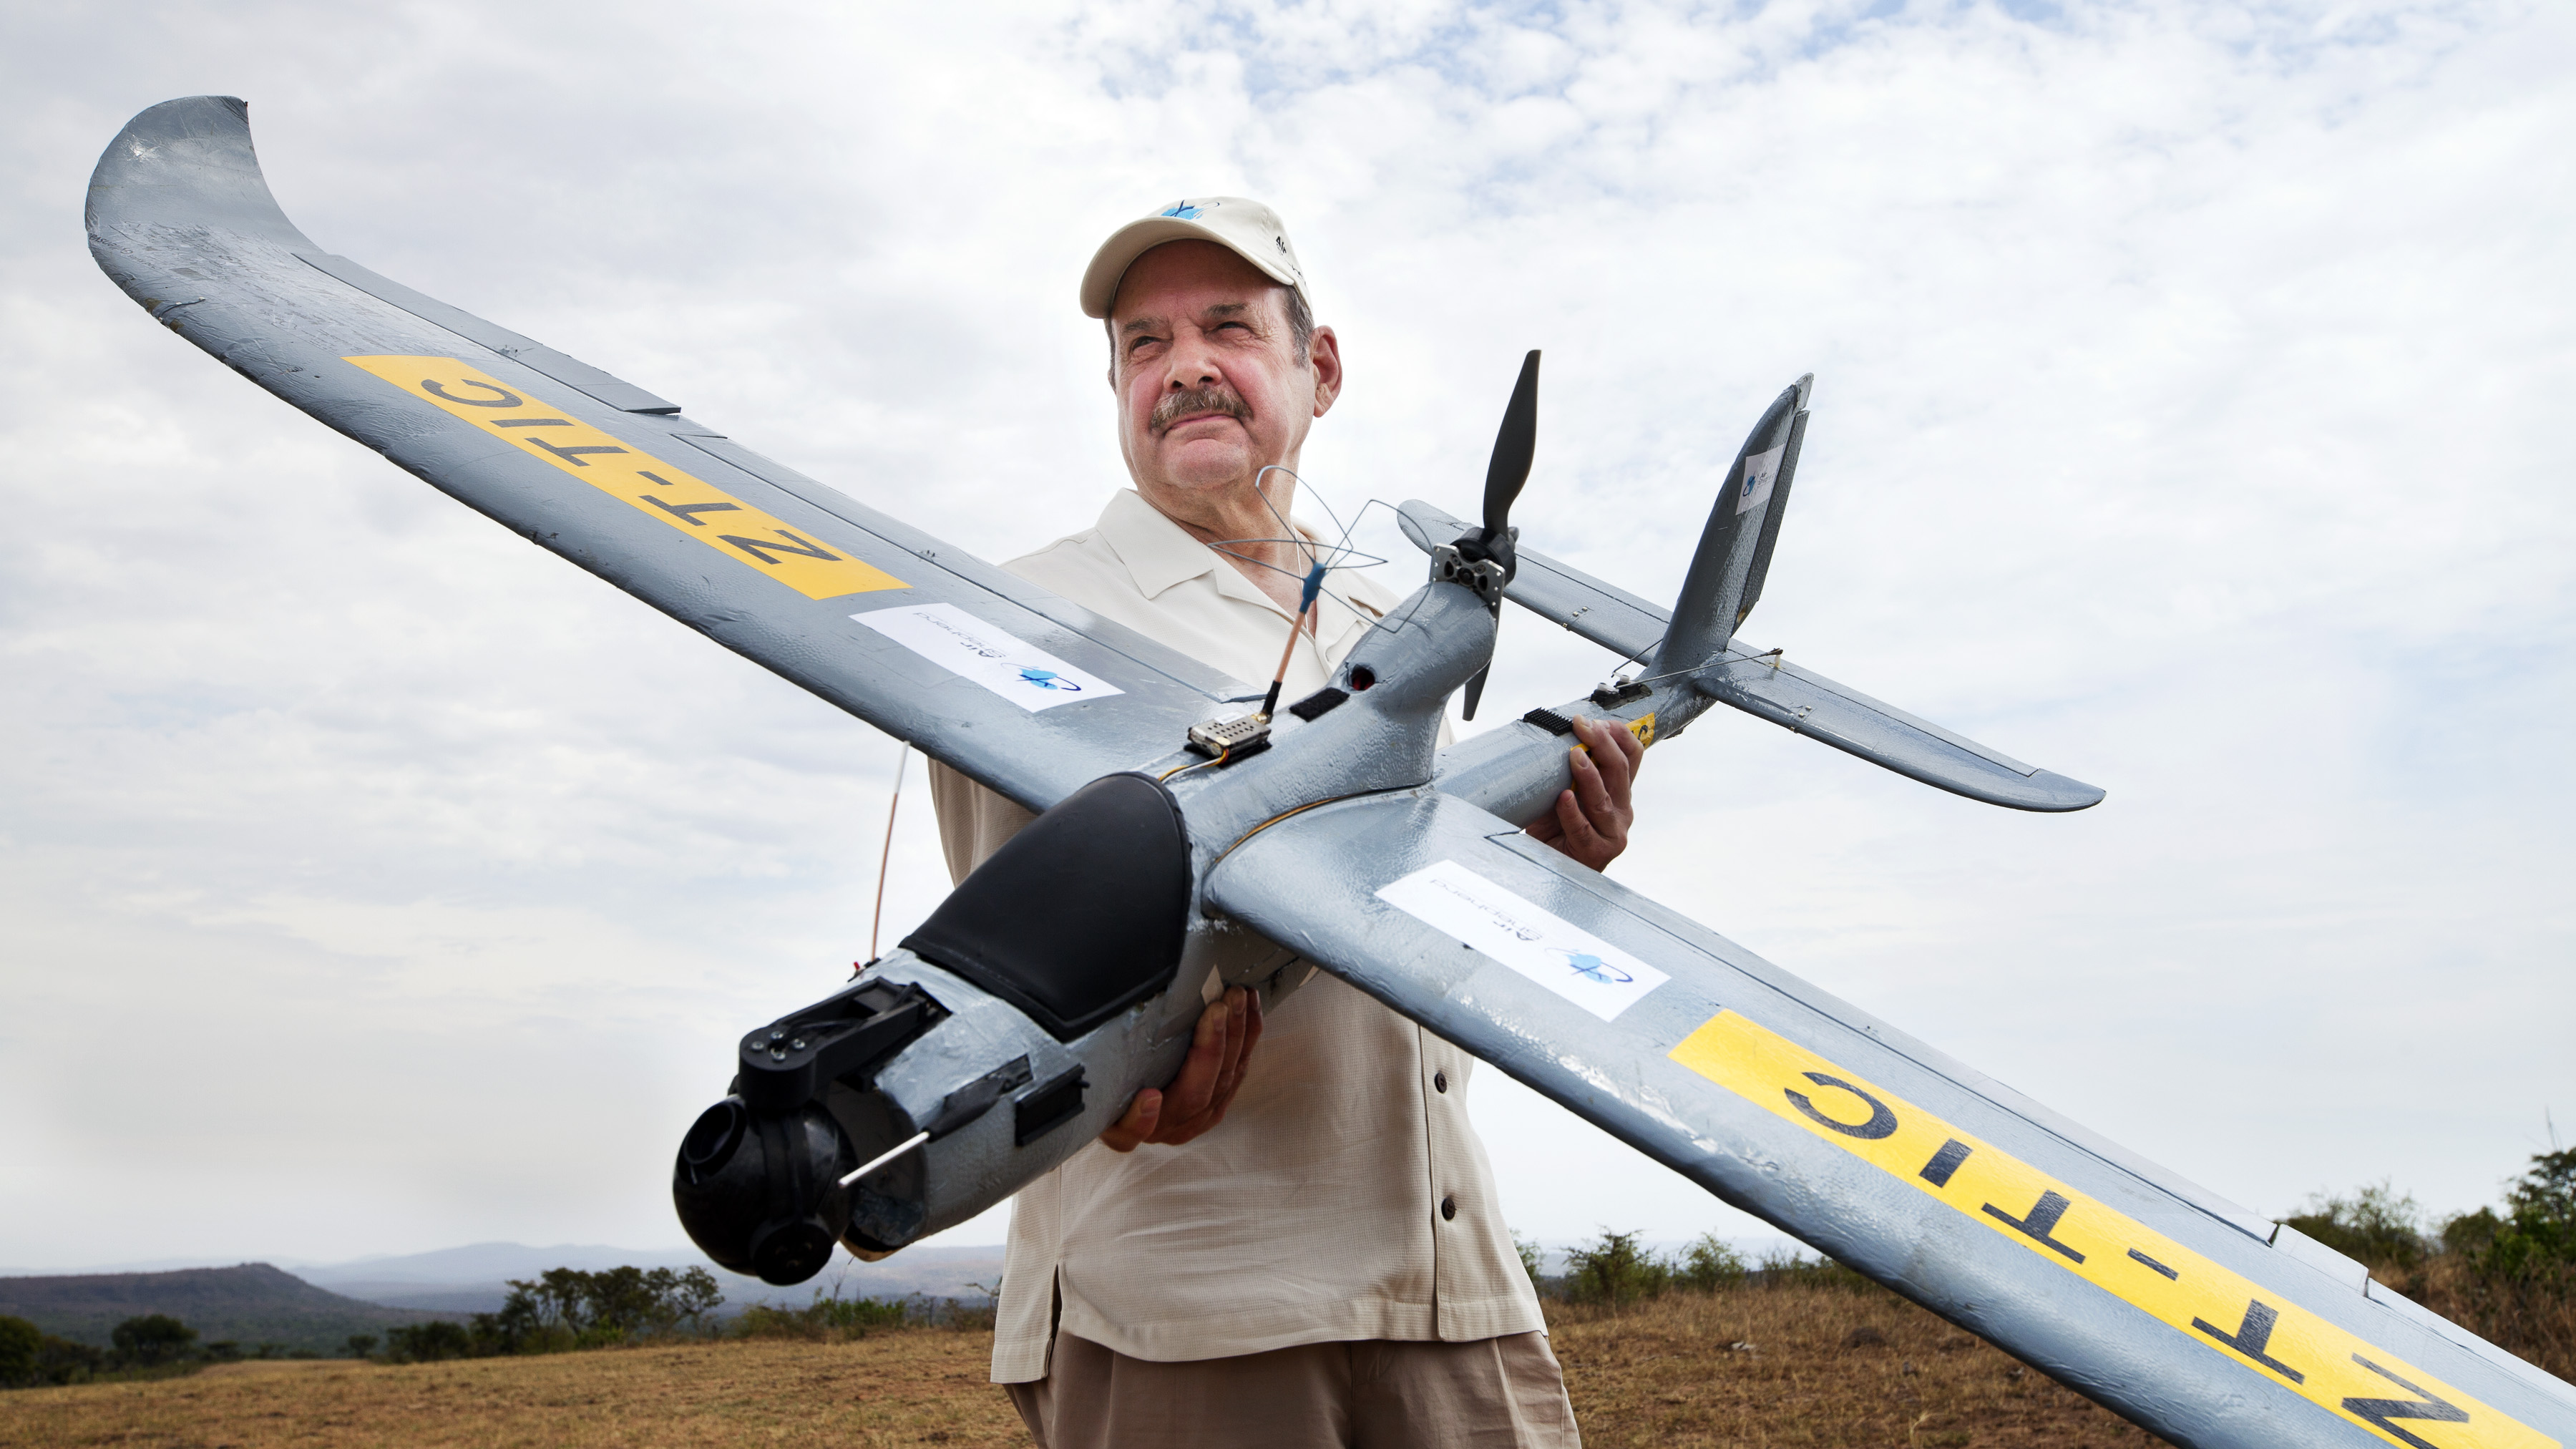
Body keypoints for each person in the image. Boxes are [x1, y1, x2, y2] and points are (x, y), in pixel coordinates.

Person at [927, 197, 1645, 1449]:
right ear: (1116, 389)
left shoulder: (1382, 617)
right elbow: (1019, 980)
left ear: (1320, 369)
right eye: (1144, 344)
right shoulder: (1021, 618)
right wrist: (1119, 1086)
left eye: (1227, 327)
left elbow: (1405, 924)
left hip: (1453, 1287)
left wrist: (1535, 866)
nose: (1184, 367)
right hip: (1187, 1306)